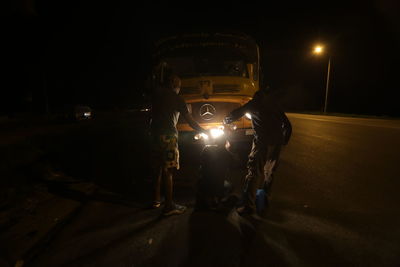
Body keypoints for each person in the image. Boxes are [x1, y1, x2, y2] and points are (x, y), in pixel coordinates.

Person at [223, 86, 292, 217]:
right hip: (276, 144)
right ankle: (264, 202)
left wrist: (226, 119)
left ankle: (248, 206)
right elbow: (288, 125)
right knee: (269, 172)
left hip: (262, 143)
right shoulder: (274, 105)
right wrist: (284, 141)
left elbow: (236, 113)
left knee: (254, 172)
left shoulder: (254, 103)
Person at [150, 72, 208, 216]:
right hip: (169, 137)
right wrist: (205, 131)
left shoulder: (157, 96)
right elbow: (190, 121)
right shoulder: (177, 99)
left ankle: (155, 200)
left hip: (154, 135)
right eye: (179, 86)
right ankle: (169, 206)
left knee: (157, 168)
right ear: (175, 86)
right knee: (169, 171)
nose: (179, 89)